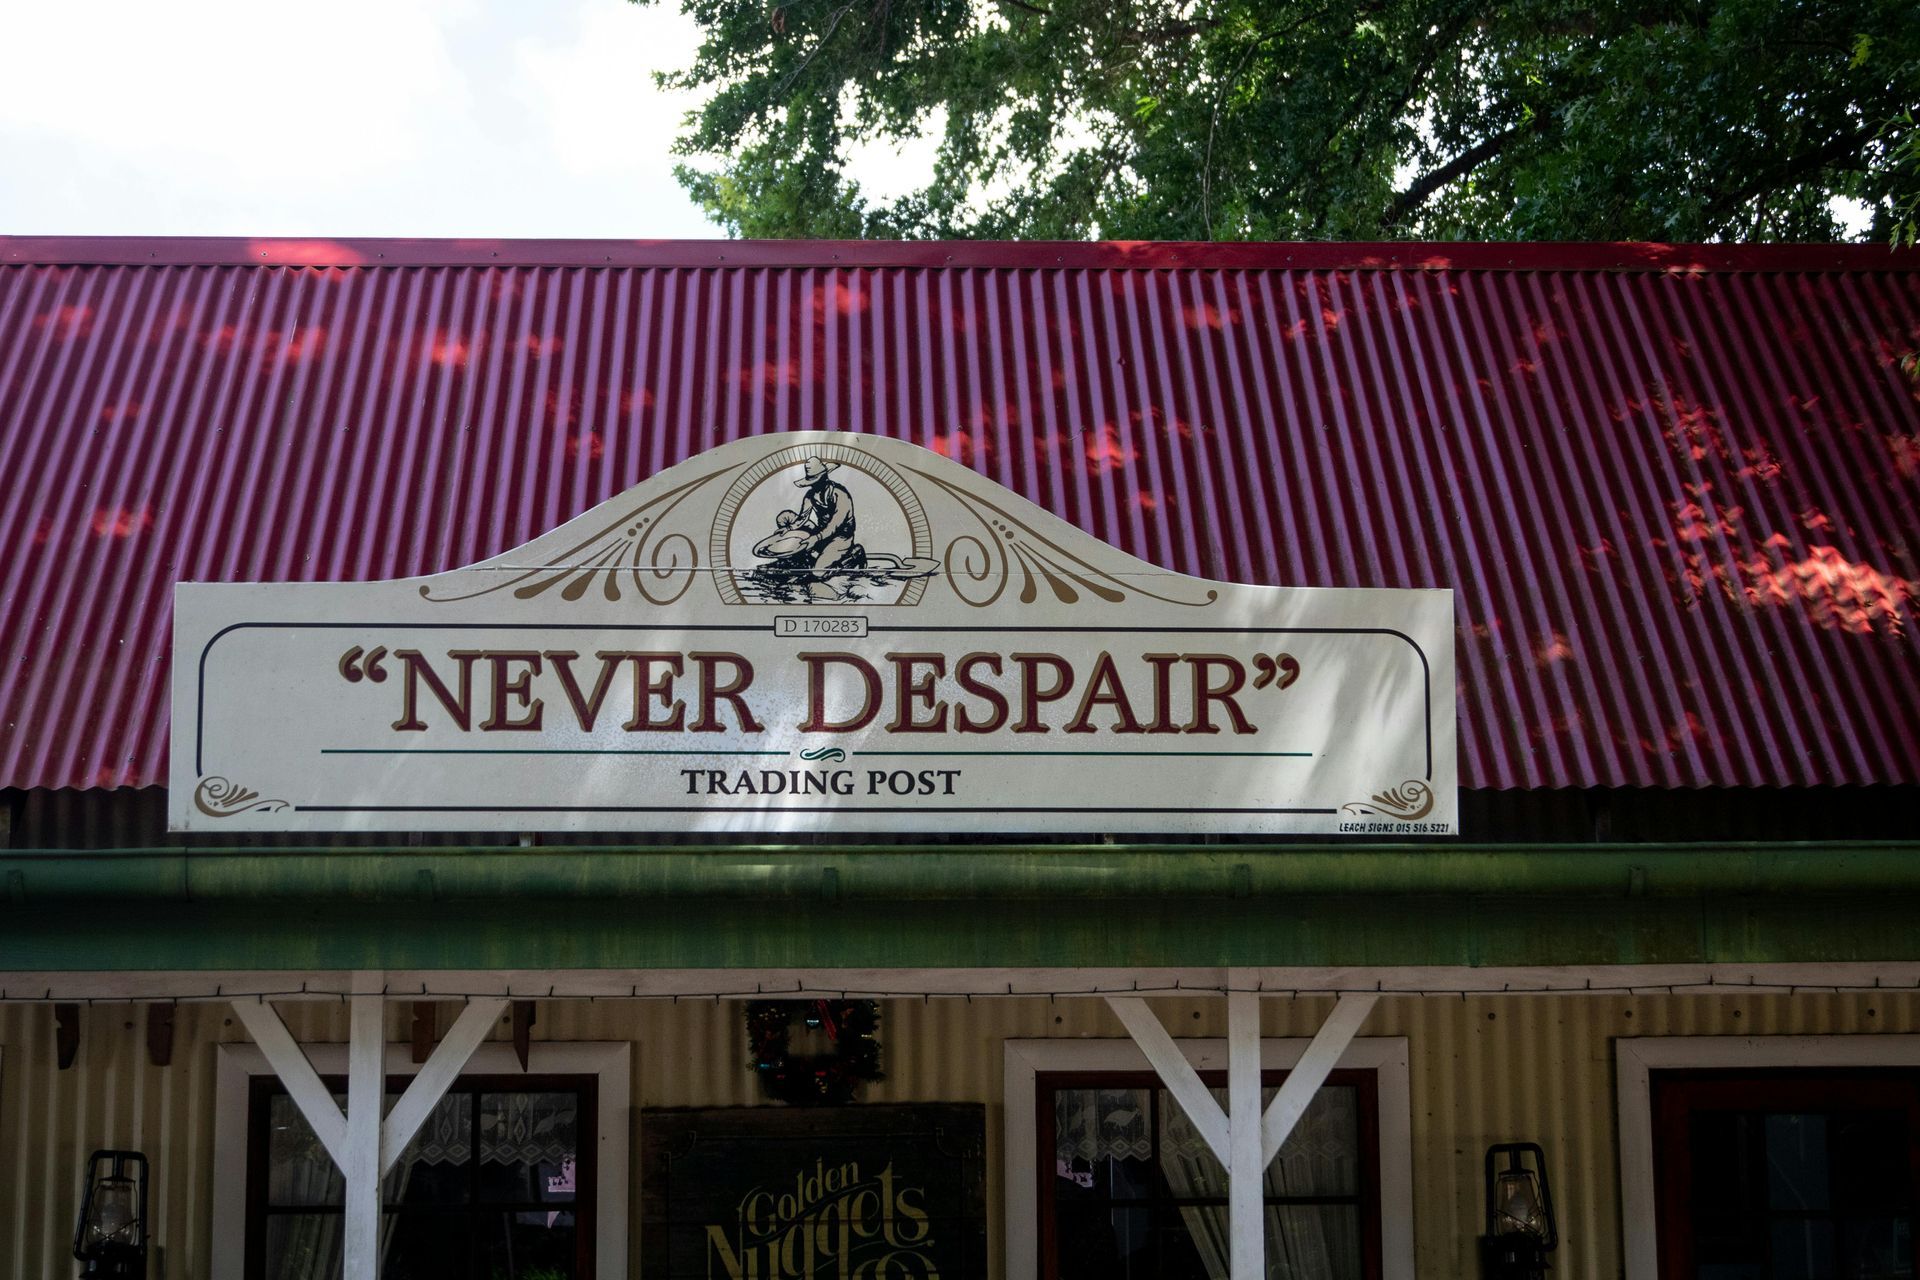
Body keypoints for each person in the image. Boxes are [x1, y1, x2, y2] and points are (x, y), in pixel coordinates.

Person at [765, 456, 864, 601]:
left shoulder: (840, 494)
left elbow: (835, 525)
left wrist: (815, 538)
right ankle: (800, 559)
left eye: (816, 481)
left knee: (818, 572)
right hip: (821, 533)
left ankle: (852, 555)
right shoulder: (810, 495)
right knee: (784, 517)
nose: (814, 485)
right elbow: (802, 518)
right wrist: (789, 529)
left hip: (841, 536)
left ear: (824, 477)